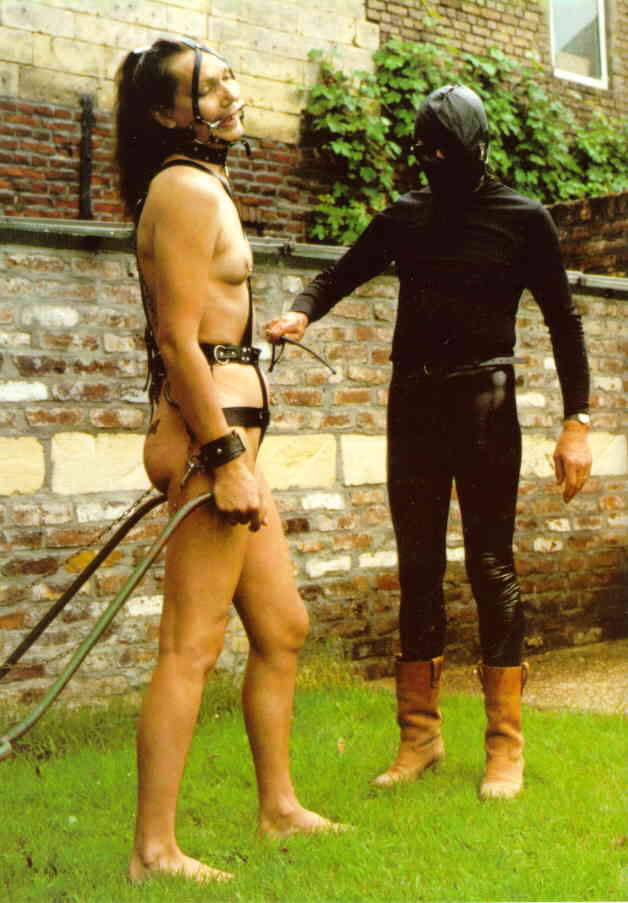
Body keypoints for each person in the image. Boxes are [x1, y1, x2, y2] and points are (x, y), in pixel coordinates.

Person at [266, 85, 592, 800]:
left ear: (479, 150)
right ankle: (419, 736)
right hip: (413, 402)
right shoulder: (406, 215)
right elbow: (341, 271)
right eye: (429, 158)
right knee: (417, 567)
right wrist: (301, 312)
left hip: (485, 405)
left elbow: (564, 321)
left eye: (450, 156)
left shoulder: (523, 218)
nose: (437, 169)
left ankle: (505, 745)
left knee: (490, 565)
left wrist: (577, 422)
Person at [114, 36, 340, 885]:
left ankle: (278, 808)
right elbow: (178, 341)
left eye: (230, 79)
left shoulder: (202, 184)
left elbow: (209, 322)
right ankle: (153, 850)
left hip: (234, 444)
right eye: (210, 88)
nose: (232, 94)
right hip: (211, 447)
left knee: (282, 628)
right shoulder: (180, 190)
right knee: (191, 643)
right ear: (166, 111)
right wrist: (225, 458)